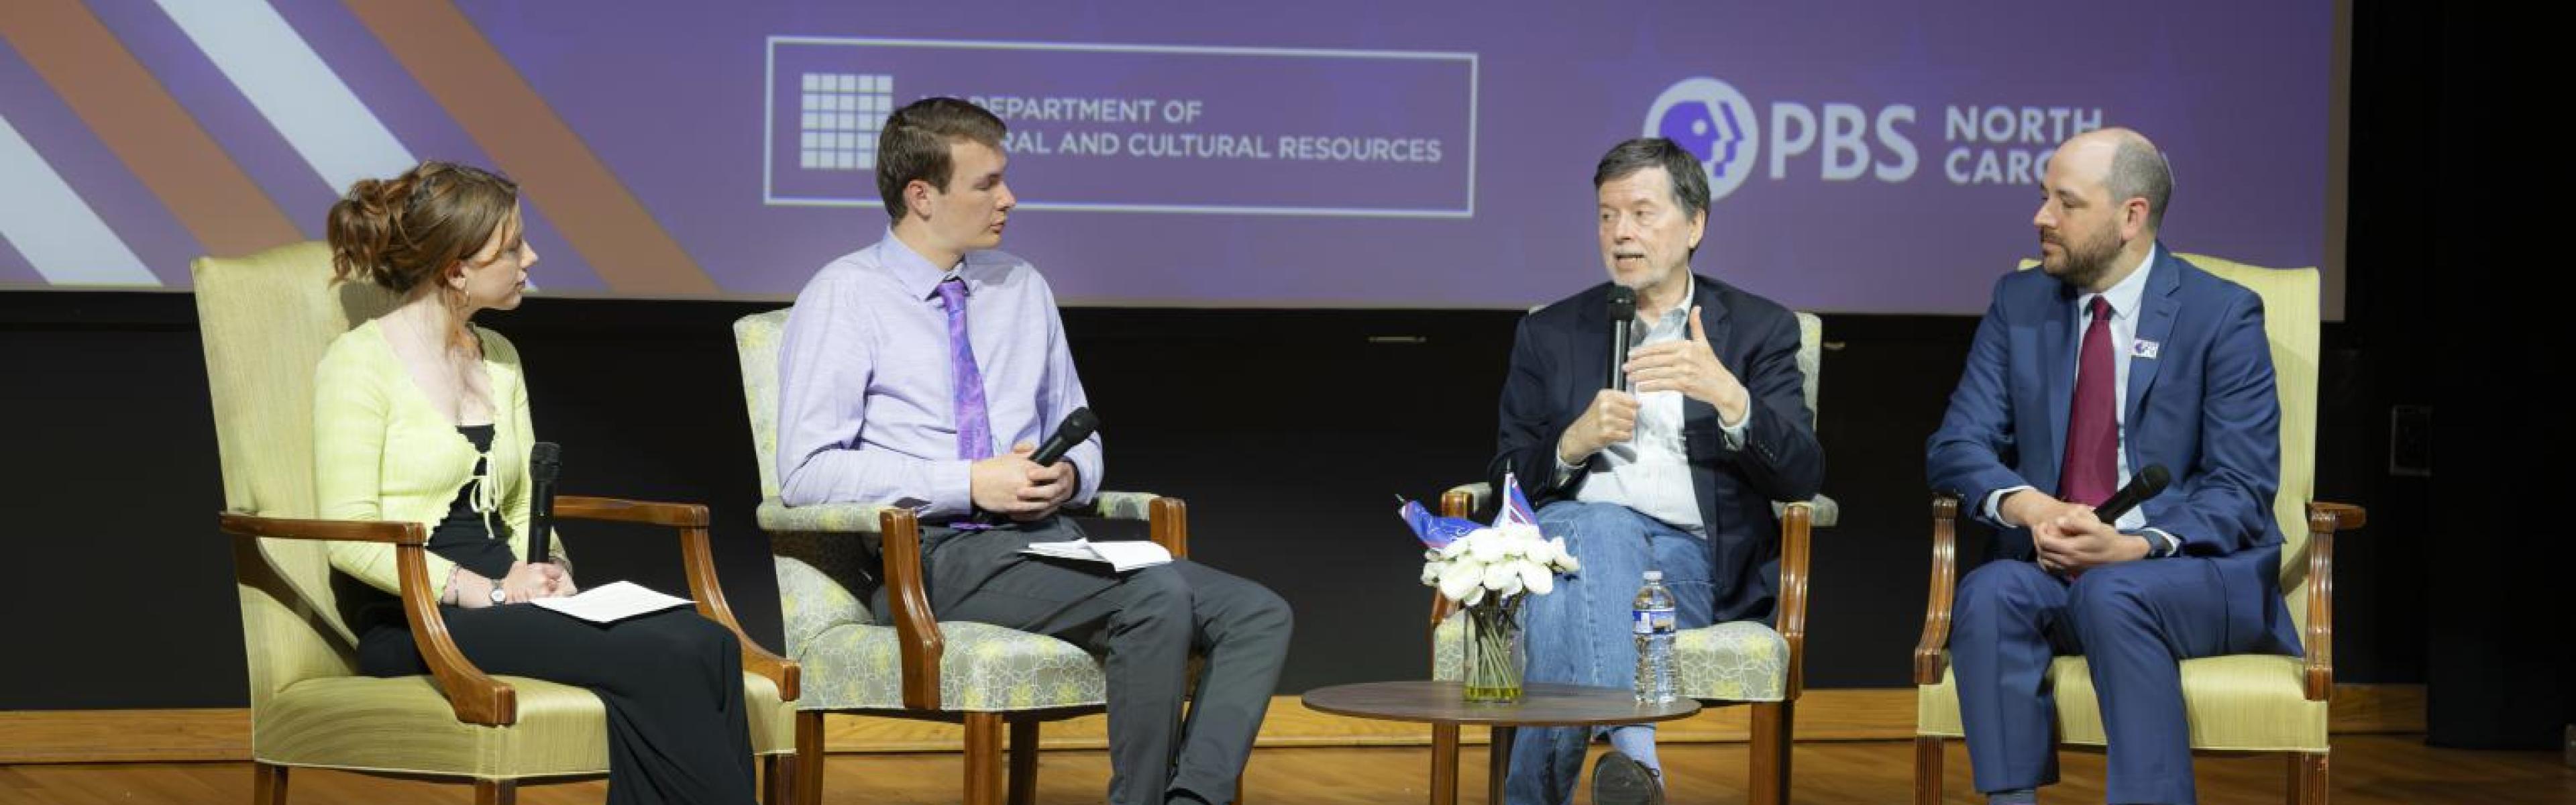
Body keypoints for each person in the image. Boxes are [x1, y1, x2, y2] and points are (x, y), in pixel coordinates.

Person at [773, 97, 1292, 805]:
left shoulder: (1020, 286)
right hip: (934, 555)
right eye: (986, 183)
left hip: (1047, 542)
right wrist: (970, 482)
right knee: (1156, 594)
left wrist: (1070, 473)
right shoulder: (845, 296)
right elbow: (807, 473)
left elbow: (1086, 434)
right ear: (921, 196)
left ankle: (1191, 800)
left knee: (1259, 612)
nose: (1008, 199)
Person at [315, 161, 758, 804]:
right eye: (512, 246)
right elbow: (349, 538)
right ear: (456, 269)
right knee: (659, 658)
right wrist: (485, 592)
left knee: (707, 641)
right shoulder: (357, 365)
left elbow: (523, 500)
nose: (532, 256)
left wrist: (544, 567)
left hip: (507, 595)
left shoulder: (496, 355)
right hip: (419, 618)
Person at [1927, 127, 2299, 805]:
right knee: (1989, 594)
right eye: (2043, 198)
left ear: (2131, 217)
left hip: (2191, 575)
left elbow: (2241, 489)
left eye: (2065, 203)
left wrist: (2132, 545)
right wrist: (2035, 509)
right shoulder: (2019, 304)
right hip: (2058, 565)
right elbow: (1956, 446)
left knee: (2112, 591)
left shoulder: (2221, 315)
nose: (2041, 218)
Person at [1489, 137, 1825, 805]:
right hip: (1561, 542)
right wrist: (1573, 444)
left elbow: (1802, 476)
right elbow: (1504, 478)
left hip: (1685, 565)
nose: (1621, 233)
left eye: (1642, 213)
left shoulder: (1757, 330)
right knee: (1595, 524)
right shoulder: (1551, 332)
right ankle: (1636, 755)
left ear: (1695, 223)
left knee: (1558, 614)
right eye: (1607, 216)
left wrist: (1731, 398)